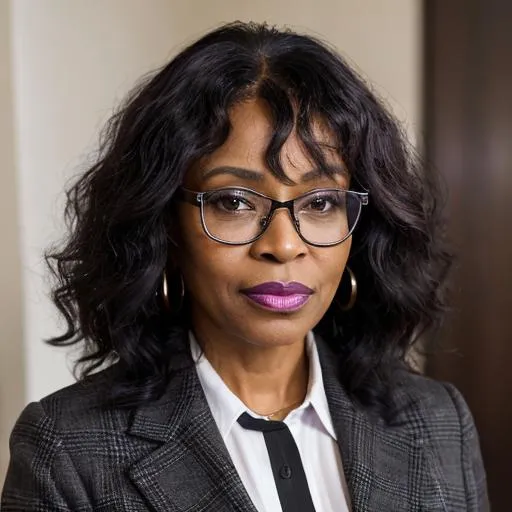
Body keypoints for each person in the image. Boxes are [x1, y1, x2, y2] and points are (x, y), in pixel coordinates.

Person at [1, 21, 489, 512]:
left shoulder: (437, 422)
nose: (283, 245)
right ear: (163, 225)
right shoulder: (66, 451)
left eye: (320, 202)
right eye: (234, 202)